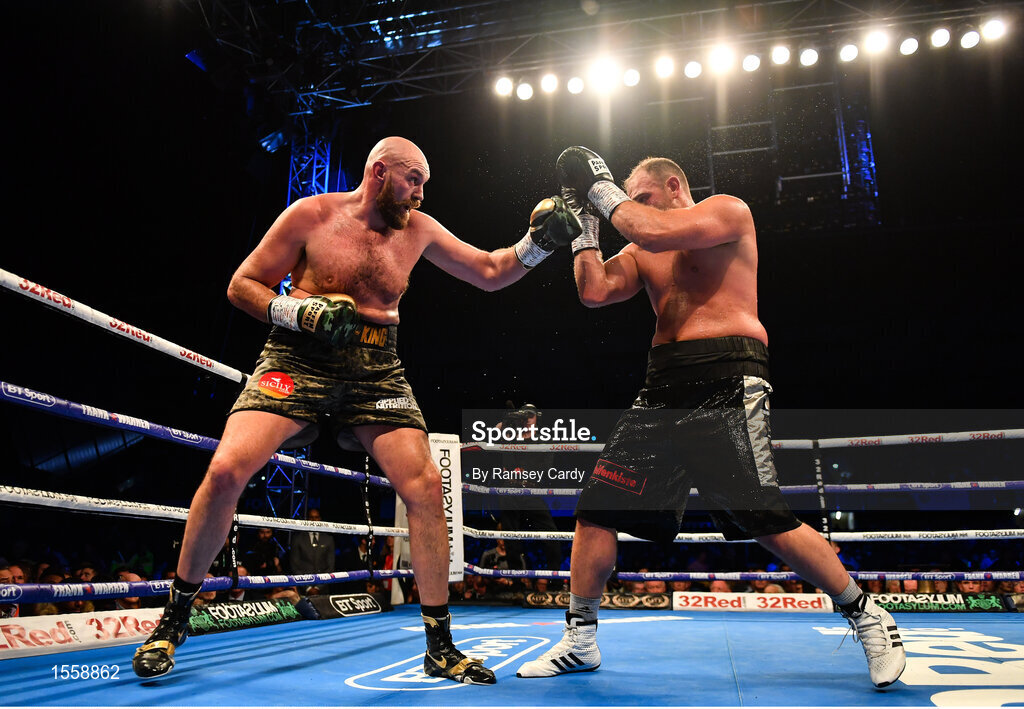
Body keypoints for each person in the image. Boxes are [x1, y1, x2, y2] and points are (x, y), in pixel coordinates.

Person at [132, 136, 581, 685]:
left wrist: (539, 243)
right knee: (226, 470)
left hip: (376, 368)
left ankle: (439, 645)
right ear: (379, 172)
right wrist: (300, 313)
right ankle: (174, 619)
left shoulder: (419, 228)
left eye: (424, 183)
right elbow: (241, 285)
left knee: (425, 486)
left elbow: (490, 270)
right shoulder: (311, 215)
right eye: (413, 179)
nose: (420, 192)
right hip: (297, 357)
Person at [516, 148, 905, 689]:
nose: (629, 206)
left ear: (674, 186)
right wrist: (584, 224)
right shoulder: (642, 246)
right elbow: (594, 291)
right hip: (661, 385)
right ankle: (580, 640)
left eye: (641, 195)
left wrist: (600, 189)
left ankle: (866, 614)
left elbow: (649, 229)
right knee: (597, 510)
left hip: (727, 371)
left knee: (764, 518)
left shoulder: (726, 212)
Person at [288, 508, 335, 594]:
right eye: (311, 517)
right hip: (302, 589)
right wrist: (308, 588)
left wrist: (318, 587)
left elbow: (330, 567)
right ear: (307, 519)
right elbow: (295, 566)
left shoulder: (328, 539)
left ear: (320, 519)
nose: (314, 520)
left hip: (323, 590)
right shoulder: (297, 539)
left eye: (316, 517)